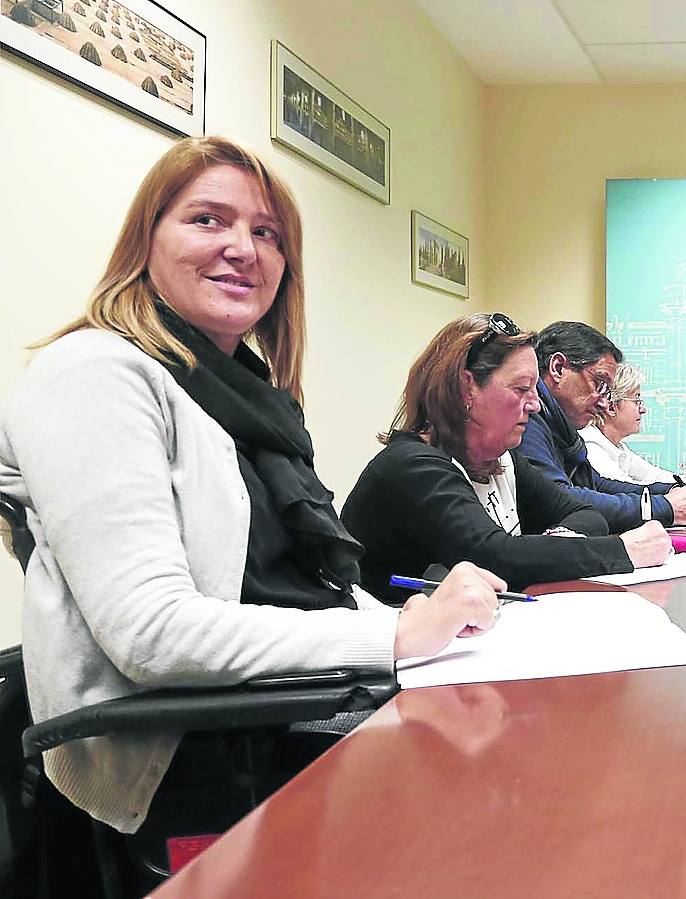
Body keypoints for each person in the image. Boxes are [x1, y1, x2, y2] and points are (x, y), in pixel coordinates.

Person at [0, 137, 500, 837]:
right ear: (146, 238)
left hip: (285, 709)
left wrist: (446, 622)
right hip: (194, 751)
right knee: (493, 804)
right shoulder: (92, 375)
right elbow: (150, 633)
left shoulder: (254, 397)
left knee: (516, 735)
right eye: (207, 219)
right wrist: (394, 630)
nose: (243, 247)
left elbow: (303, 583)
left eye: (266, 232)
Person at [342, 315, 671, 603]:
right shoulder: (413, 466)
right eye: (521, 389)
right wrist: (624, 552)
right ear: (465, 389)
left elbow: (584, 514)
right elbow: (494, 556)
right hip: (392, 657)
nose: (536, 405)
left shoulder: (505, 461)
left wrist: (556, 545)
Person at [516, 321, 686, 532]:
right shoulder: (527, 420)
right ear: (558, 368)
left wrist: (671, 490)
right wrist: (660, 507)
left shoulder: (562, 429)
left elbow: (595, 484)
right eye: (599, 383)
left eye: (607, 391)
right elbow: (558, 500)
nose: (603, 403)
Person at [580, 361, 677, 485]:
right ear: (611, 407)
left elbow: (652, 475)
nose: (643, 410)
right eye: (636, 401)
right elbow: (627, 490)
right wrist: (683, 486)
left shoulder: (617, 447)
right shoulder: (590, 446)